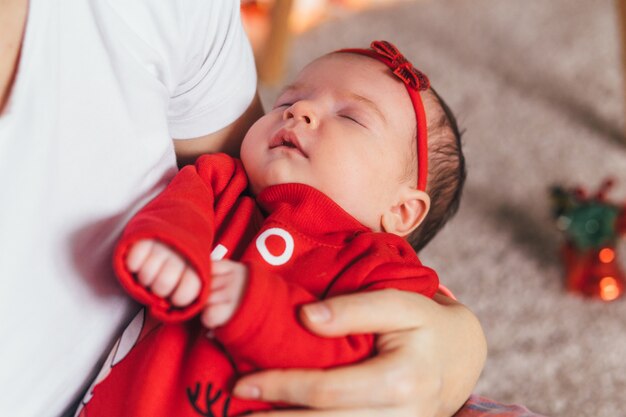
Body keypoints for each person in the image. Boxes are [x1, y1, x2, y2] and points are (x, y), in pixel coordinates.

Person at [0, 2, 487, 417]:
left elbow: (373, 360)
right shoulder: (220, 182)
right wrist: (167, 250)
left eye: (351, 117)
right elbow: (177, 212)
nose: (298, 111)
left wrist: (253, 309)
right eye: (289, 99)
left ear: (402, 212)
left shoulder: (382, 269)